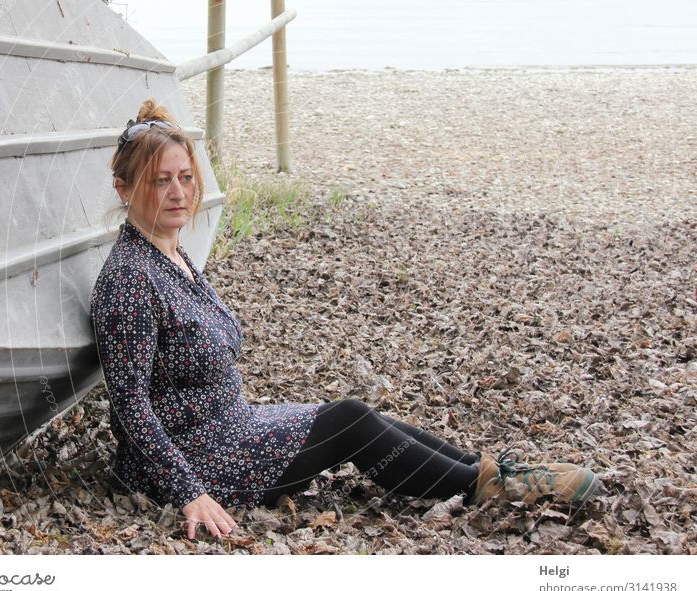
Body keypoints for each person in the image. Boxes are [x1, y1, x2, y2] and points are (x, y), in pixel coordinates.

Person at [89, 98, 602, 541]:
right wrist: (190, 494)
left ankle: (483, 469)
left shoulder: (172, 254)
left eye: (184, 177)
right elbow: (131, 409)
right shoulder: (131, 279)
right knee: (350, 421)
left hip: (228, 430)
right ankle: (485, 486)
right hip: (194, 463)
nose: (179, 192)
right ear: (123, 188)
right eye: (161, 181)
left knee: (349, 413)